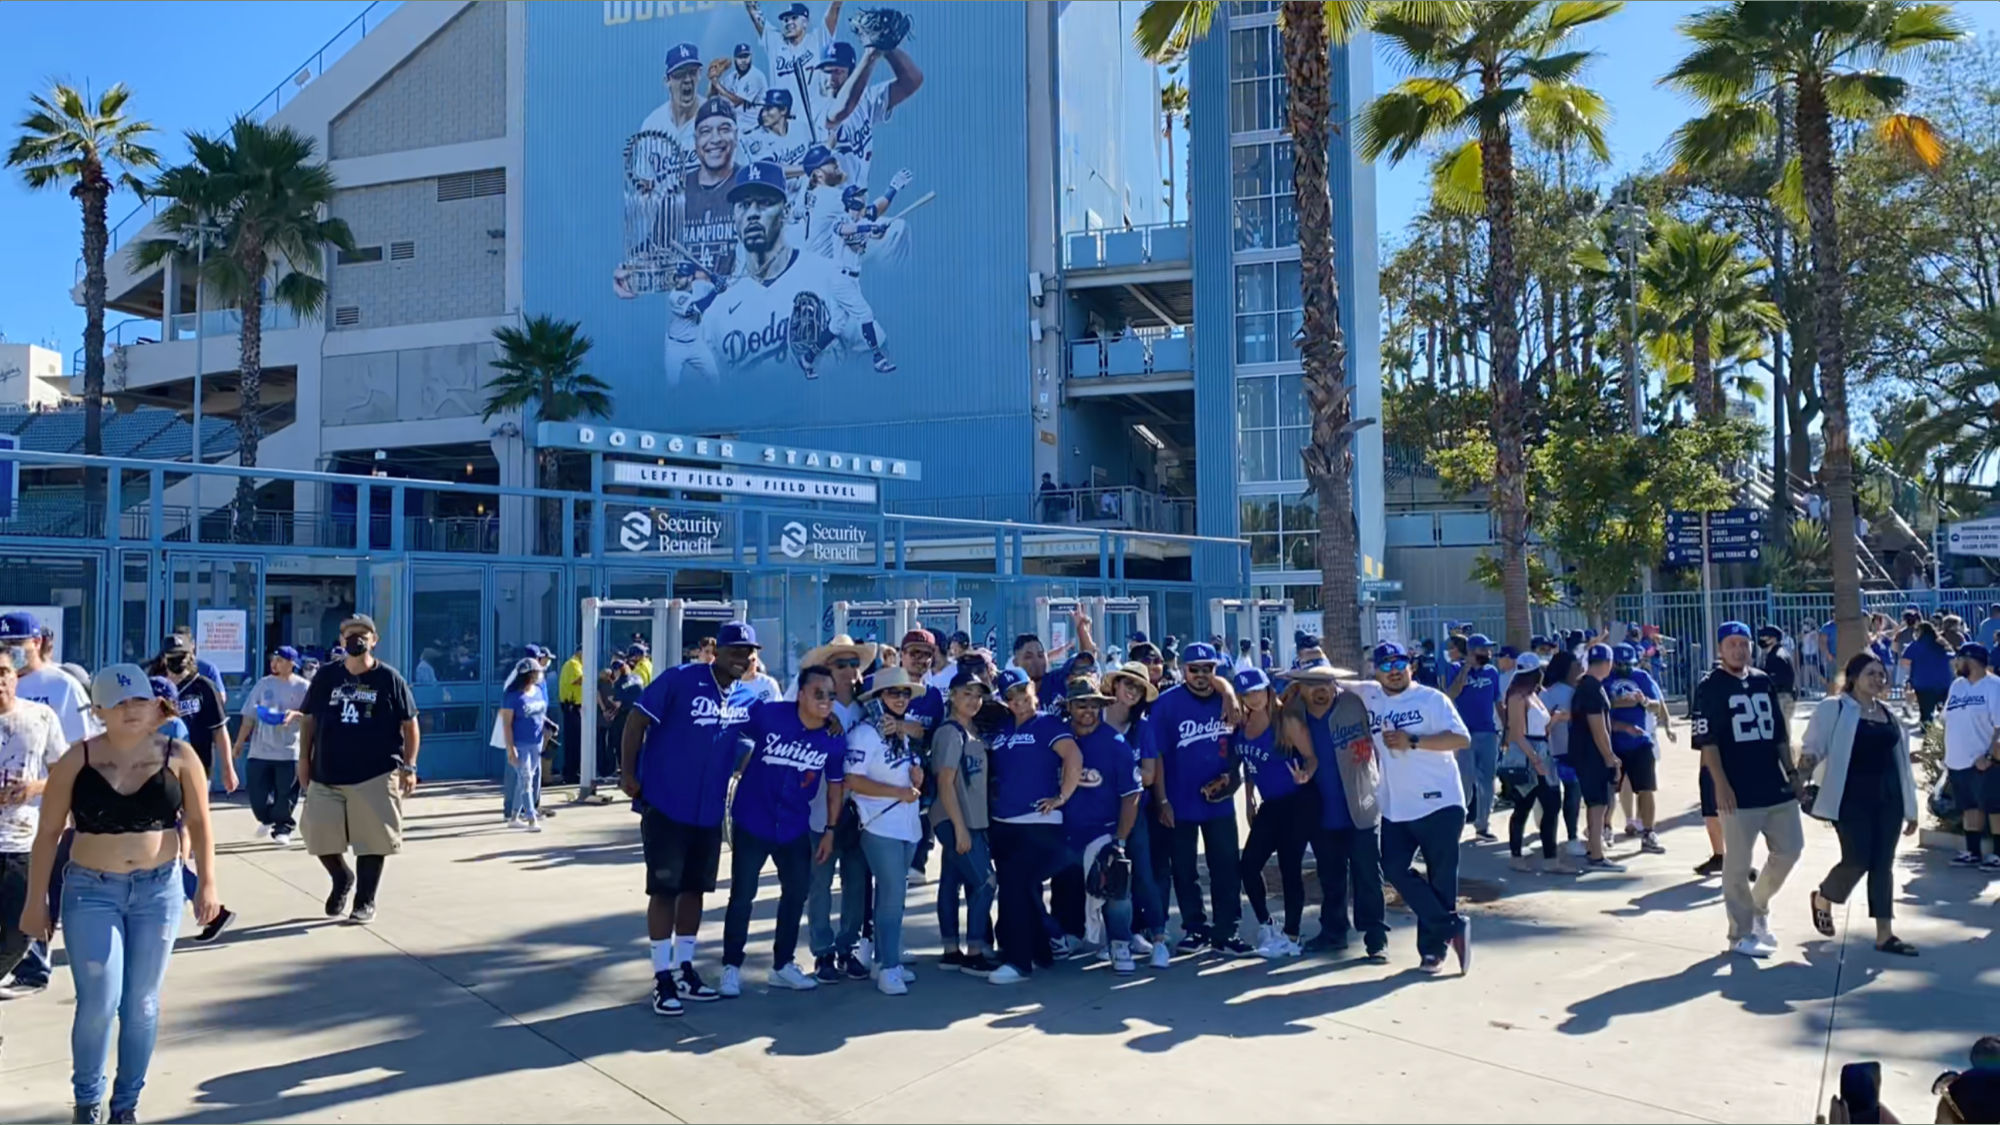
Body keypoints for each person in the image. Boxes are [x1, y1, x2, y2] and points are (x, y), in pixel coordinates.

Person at [22, 665, 222, 1125]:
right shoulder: (78, 760)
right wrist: (37, 901)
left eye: (139, 701)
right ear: (99, 712)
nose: (131, 710)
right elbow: (48, 833)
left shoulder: (181, 756)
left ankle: (125, 1106)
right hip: (91, 890)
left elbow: (200, 824)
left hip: (159, 891)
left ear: (156, 706)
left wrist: (207, 882)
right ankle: (87, 1103)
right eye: (119, 703)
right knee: (98, 1001)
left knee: (142, 1003)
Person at [621, 622, 759, 1014]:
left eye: (750, 652)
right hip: (665, 803)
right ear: (717, 651)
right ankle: (661, 976)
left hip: (709, 809)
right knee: (664, 891)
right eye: (737, 650)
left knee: (696, 890)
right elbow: (636, 720)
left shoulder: (746, 697)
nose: (744, 658)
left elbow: (778, 728)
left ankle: (685, 967)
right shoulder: (680, 679)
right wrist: (628, 773)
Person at [1344, 642, 1473, 973]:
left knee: (1441, 876)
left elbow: (1461, 739)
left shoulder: (1431, 699)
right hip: (1396, 806)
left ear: (1411, 666)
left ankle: (1432, 951)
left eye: (1400, 662)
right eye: (1385, 665)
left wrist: (1412, 740)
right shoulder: (1369, 694)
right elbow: (1325, 678)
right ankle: (1451, 926)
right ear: (1375, 671)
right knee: (1393, 869)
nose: (1394, 670)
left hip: (1440, 802)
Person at [719, 664, 847, 997]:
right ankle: (731, 966)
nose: (825, 700)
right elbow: (729, 723)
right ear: (800, 693)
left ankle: (782, 965)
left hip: (794, 827)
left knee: (795, 894)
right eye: (818, 693)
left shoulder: (833, 736)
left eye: (831, 695)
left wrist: (831, 830)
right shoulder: (770, 715)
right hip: (752, 820)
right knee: (742, 895)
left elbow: (836, 787)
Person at [299, 615, 420, 928]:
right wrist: (304, 761)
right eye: (350, 635)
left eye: (363, 634)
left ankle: (364, 901)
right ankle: (341, 877)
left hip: (375, 773)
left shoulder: (389, 679)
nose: (356, 639)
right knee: (318, 835)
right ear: (341, 641)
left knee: (373, 841)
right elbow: (309, 719)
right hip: (327, 772)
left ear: (374, 639)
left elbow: (410, 724)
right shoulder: (326, 677)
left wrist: (409, 766)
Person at [1692, 621, 1802, 959]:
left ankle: (1758, 908)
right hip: (1737, 789)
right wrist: (1721, 786)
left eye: (1744, 643)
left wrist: (1793, 772)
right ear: (1720, 649)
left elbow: (1779, 734)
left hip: (1774, 782)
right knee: (1737, 865)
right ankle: (1740, 934)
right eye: (1732, 644)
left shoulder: (1762, 680)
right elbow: (1707, 743)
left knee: (1791, 849)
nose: (1739, 649)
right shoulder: (1710, 687)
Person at [1799, 652, 1920, 957]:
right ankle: (1824, 897)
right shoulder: (1835, 708)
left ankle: (1885, 935)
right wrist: (1797, 780)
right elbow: (1813, 748)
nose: (1878, 679)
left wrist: (1911, 808)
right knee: (1857, 859)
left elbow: (1903, 765)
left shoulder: (1889, 714)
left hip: (1889, 800)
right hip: (1850, 799)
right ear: (1853, 677)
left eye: (1882, 674)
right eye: (1871, 673)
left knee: (1883, 864)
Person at [1280, 659, 1388, 961]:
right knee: (1331, 876)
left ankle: (1376, 936)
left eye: (1326, 683)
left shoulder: (1356, 703)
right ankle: (1334, 931)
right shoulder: (1293, 714)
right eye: (1312, 684)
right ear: (1299, 687)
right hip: (1321, 810)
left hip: (1362, 803)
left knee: (1368, 875)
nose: (1321, 690)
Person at [1149, 641, 1250, 955]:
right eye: (1195, 669)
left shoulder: (1227, 700)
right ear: (1183, 670)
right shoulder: (1167, 704)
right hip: (1180, 801)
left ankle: (1226, 932)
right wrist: (1163, 801)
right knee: (1184, 869)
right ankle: (1195, 929)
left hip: (1219, 801)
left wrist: (1232, 777)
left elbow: (1241, 744)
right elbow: (1159, 756)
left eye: (1209, 669)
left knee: (1226, 867)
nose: (1202, 674)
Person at [983, 669, 1082, 985]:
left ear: (1033, 691)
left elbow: (1073, 757)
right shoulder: (1002, 728)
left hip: (1038, 824)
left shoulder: (1048, 724)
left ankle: (1019, 961)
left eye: (1023, 693)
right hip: (1002, 823)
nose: (1019, 701)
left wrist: (1061, 797)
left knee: (1014, 888)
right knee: (1021, 889)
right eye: (1011, 697)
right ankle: (1041, 952)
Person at [1048, 675, 1143, 974]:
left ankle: (1120, 944)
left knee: (1116, 889)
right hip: (1062, 835)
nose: (1087, 710)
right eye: (1080, 705)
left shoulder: (1116, 745)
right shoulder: (1057, 740)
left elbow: (1131, 797)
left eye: (1092, 704)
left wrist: (1120, 840)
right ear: (1069, 707)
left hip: (1102, 835)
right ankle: (1067, 936)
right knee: (1055, 889)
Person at [795, 633, 875, 982]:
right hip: (818, 810)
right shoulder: (810, 706)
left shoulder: (869, 706)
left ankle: (848, 948)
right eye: (839, 663)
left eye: (853, 663)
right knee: (820, 885)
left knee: (856, 883)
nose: (847, 670)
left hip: (860, 813)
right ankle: (823, 953)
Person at [841, 667, 926, 995]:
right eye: (893, 693)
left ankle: (883, 959)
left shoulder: (900, 732)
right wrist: (898, 793)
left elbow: (903, 767)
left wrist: (915, 779)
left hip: (906, 824)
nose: (901, 699)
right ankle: (889, 966)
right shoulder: (864, 733)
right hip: (878, 824)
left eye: (905, 693)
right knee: (892, 897)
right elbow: (853, 779)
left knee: (895, 897)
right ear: (877, 698)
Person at [0, 658, 68, 1019]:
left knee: (20, 930)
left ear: (16, 677)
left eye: (3, 672)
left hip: (22, 842)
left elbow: (62, 774)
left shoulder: (40, 718)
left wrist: (33, 788)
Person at [1235, 667, 1311, 958]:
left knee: (1290, 869)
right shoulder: (1242, 722)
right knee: (1249, 865)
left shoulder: (1285, 720)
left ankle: (1292, 936)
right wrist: (1249, 798)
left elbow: (1312, 756)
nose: (1252, 698)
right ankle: (1267, 924)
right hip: (1269, 804)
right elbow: (1249, 763)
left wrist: (1306, 774)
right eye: (1246, 694)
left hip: (1296, 802)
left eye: (1256, 691)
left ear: (1267, 689)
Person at [930, 669, 998, 976]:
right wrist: (959, 827)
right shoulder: (950, 732)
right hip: (956, 818)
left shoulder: (972, 732)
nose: (973, 701)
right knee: (985, 881)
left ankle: (950, 950)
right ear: (953, 696)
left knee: (951, 883)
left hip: (973, 818)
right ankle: (974, 952)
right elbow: (945, 781)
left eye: (978, 695)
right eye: (966, 694)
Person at [1100, 660, 1167, 966]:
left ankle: (1159, 939)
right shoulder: (1094, 719)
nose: (1132, 691)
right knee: (1101, 876)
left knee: (1141, 873)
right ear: (1114, 685)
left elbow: (1150, 775)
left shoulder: (1144, 728)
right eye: (1128, 684)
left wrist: (1116, 773)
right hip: (1096, 810)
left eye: (1139, 688)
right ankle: (1115, 938)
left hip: (1135, 810)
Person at [235, 646, 309, 846]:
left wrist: (295, 715)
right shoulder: (263, 684)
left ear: (292, 664)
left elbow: (313, 718)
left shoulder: (303, 687)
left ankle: (282, 828)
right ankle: (266, 818)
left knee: (286, 794)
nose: (274, 664)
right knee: (257, 794)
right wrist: (239, 743)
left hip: (289, 750)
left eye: (280, 660)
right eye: (273, 660)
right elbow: (249, 717)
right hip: (260, 749)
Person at [1604, 643, 1671, 853]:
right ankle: (1605, 828)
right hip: (1613, 741)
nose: (1624, 667)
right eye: (1620, 663)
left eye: (1628, 664)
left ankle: (1648, 832)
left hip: (1641, 741)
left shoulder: (1641, 677)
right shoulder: (1605, 678)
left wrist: (1642, 701)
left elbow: (1656, 706)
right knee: (1609, 789)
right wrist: (1619, 703)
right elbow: (1602, 706)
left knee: (1646, 788)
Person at [1504, 654, 1568, 873]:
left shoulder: (1534, 695)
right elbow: (1518, 734)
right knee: (1523, 806)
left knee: (1551, 805)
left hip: (1542, 751)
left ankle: (1551, 859)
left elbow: (1542, 728)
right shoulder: (1517, 697)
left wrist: (1555, 719)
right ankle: (1516, 856)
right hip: (1529, 755)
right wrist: (1535, 760)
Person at [1569, 645, 1627, 873]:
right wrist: (1609, 757)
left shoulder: (1585, 685)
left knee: (1597, 803)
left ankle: (1594, 848)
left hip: (1586, 754)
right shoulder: (1591, 688)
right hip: (1592, 755)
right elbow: (1598, 727)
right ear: (1608, 663)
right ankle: (1596, 854)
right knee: (1598, 804)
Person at [1942, 642, 2000, 869]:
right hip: (1958, 760)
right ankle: (1972, 851)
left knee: (1995, 807)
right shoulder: (1957, 686)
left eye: (1959, 658)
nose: (1956, 663)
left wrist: (1989, 755)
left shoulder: (1994, 686)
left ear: (1971, 660)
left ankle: (1997, 854)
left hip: (1984, 761)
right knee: (1969, 806)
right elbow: (1948, 718)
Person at [1446, 633, 1502, 842]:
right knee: (1465, 781)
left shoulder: (1492, 672)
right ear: (1471, 651)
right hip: (1464, 734)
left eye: (1489, 649)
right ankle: (1457, 827)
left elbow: (1498, 701)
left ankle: (1483, 825)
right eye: (1483, 649)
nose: (1488, 653)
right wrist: (1466, 669)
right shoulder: (1454, 668)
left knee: (1487, 780)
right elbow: (1451, 694)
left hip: (1488, 732)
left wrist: (1505, 729)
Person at [1540, 651, 1586, 859]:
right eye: (1576, 666)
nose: (1580, 669)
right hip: (1565, 752)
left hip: (1560, 751)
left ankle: (1570, 837)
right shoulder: (1563, 693)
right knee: (1571, 795)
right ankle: (1572, 837)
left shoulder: (1548, 693)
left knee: (1566, 796)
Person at [498, 658, 552, 831]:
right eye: (536, 672)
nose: (539, 675)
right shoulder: (512, 696)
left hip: (536, 742)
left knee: (525, 781)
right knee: (526, 778)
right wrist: (510, 748)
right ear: (528, 675)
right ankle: (531, 818)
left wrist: (548, 726)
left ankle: (514, 817)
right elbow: (506, 724)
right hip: (520, 744)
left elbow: (540, 714)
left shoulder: (537, 691)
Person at [1899, 621, 1954, 731]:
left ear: (1920, 632)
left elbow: (1904, 662)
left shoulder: (1915, 645)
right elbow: (1952, 659)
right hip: (1944, 682)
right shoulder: (1942, 644)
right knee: (1946, 711)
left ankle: (1927, 734)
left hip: (1923, 684)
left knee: (1926, 712)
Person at [1755, 625, 1797, 723]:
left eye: (1764, 636)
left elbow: (1778, 679)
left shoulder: (1778, 657)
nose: (1761, 639)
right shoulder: (1773, 654)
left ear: (1773, 639)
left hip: (1781, 698)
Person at [558, 643, 585, 785]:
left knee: (575, 742)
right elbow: (580, 681)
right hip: (572, 707)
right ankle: (571, 774)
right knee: (574, 742)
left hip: (573, 707)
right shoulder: (574, 664)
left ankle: (572, 772)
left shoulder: (575, 664)